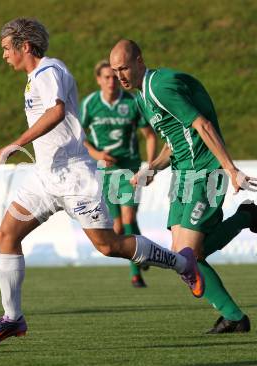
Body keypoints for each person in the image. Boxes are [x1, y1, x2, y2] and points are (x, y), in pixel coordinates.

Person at [0, 18, 204, 345]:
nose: (3, 56)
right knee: (6, 234)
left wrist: (17, 142)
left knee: (108, 245)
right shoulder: (32, 79)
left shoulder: (49, 71)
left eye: (5, 49)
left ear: (24, 46)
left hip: (74, 178)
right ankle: (13, 319)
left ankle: (183, 262)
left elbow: (56, 112)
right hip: (46, 176)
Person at [109, 39, 257, 334]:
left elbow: (202, 124)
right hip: (183, 176)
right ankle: (234, 312)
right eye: (115, 71)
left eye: (124, 67)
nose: (120, 76)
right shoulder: (141, 97)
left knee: (187, 255)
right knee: (182, 260)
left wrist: (230, 169)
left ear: (140, 61)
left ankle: (235, 314)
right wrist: (151, 168)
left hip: (205, 171)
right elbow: (173, 142)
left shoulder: (158, 86)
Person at [80, 60, 157, 288]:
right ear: (98, 80)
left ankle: (136, 274)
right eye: (106, 77)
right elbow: (77, 137)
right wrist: (96, 153)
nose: (111, 81)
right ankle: (144, 252)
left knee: (129, 219)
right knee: (116, 228)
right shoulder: (90, 104)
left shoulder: (132, 102)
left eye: (114, 77)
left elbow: (150, 135)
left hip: (129, 170)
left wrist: (149, 166)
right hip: (104, 172)